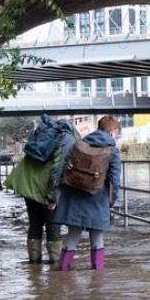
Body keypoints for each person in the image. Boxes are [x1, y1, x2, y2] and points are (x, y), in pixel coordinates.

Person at [5, 117, 79, 264]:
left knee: (35, 223)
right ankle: (56, 268)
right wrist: (53, 197)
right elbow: (58, 170)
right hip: (44, 186)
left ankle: (34, 266)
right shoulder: (69, 140)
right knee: (53, 226)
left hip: (27, 181)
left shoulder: (44, 133)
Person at [52, 115, 121, 271]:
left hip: (74, 196)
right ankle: (97, 278)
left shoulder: (78, 145)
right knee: (97, 239)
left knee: (72, 237)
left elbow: (62, 170)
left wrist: (56, 195)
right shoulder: (112, 151)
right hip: (98, 198)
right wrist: (111, 201)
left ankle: (62, 274)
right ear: (112, 132)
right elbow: (115, 181)